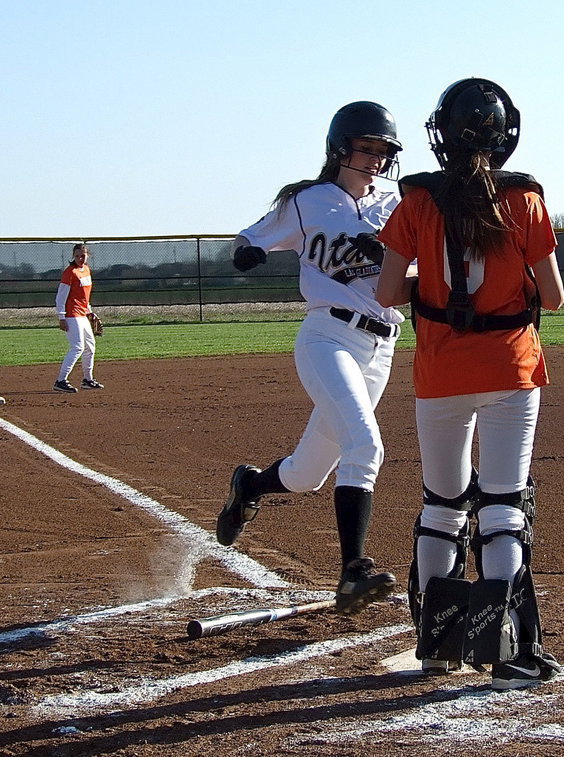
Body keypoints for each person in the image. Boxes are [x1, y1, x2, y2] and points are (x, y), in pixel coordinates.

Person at [375, 77, 564, 690]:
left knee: (442, 504)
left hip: (441, 372)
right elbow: (555, 298)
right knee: (504, 507)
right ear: (506, 134)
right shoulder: (526, 201)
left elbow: (385, 294)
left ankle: (436, 645)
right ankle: (505, 648)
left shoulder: (416, 202)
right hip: (511, 370)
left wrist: (430, 289)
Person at [216, 101, 405, 615]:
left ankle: (249, 485)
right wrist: (248, 252)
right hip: (328, 339)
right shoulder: (309, 200)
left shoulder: (396, 205)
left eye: (382, 150)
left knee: (306, 474)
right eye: (365, 147)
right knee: (364, 447)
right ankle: (353, 572)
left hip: (381, 347)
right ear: (340, 148)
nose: (374, 158)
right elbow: (251, 236)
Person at [53, 243, 104, 393]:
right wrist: (61, 317)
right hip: (71, 315)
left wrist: (90, 312)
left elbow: (84, 297)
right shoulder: (70, 272)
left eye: (82, 255)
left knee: (90, 347)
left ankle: (88, 380)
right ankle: (60, 381)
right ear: (73, 256)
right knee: (78, 347)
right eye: (77, 256)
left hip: (82, 314)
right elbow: (61, 297)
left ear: (88, 255)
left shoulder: (86, 270)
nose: (80, 258)